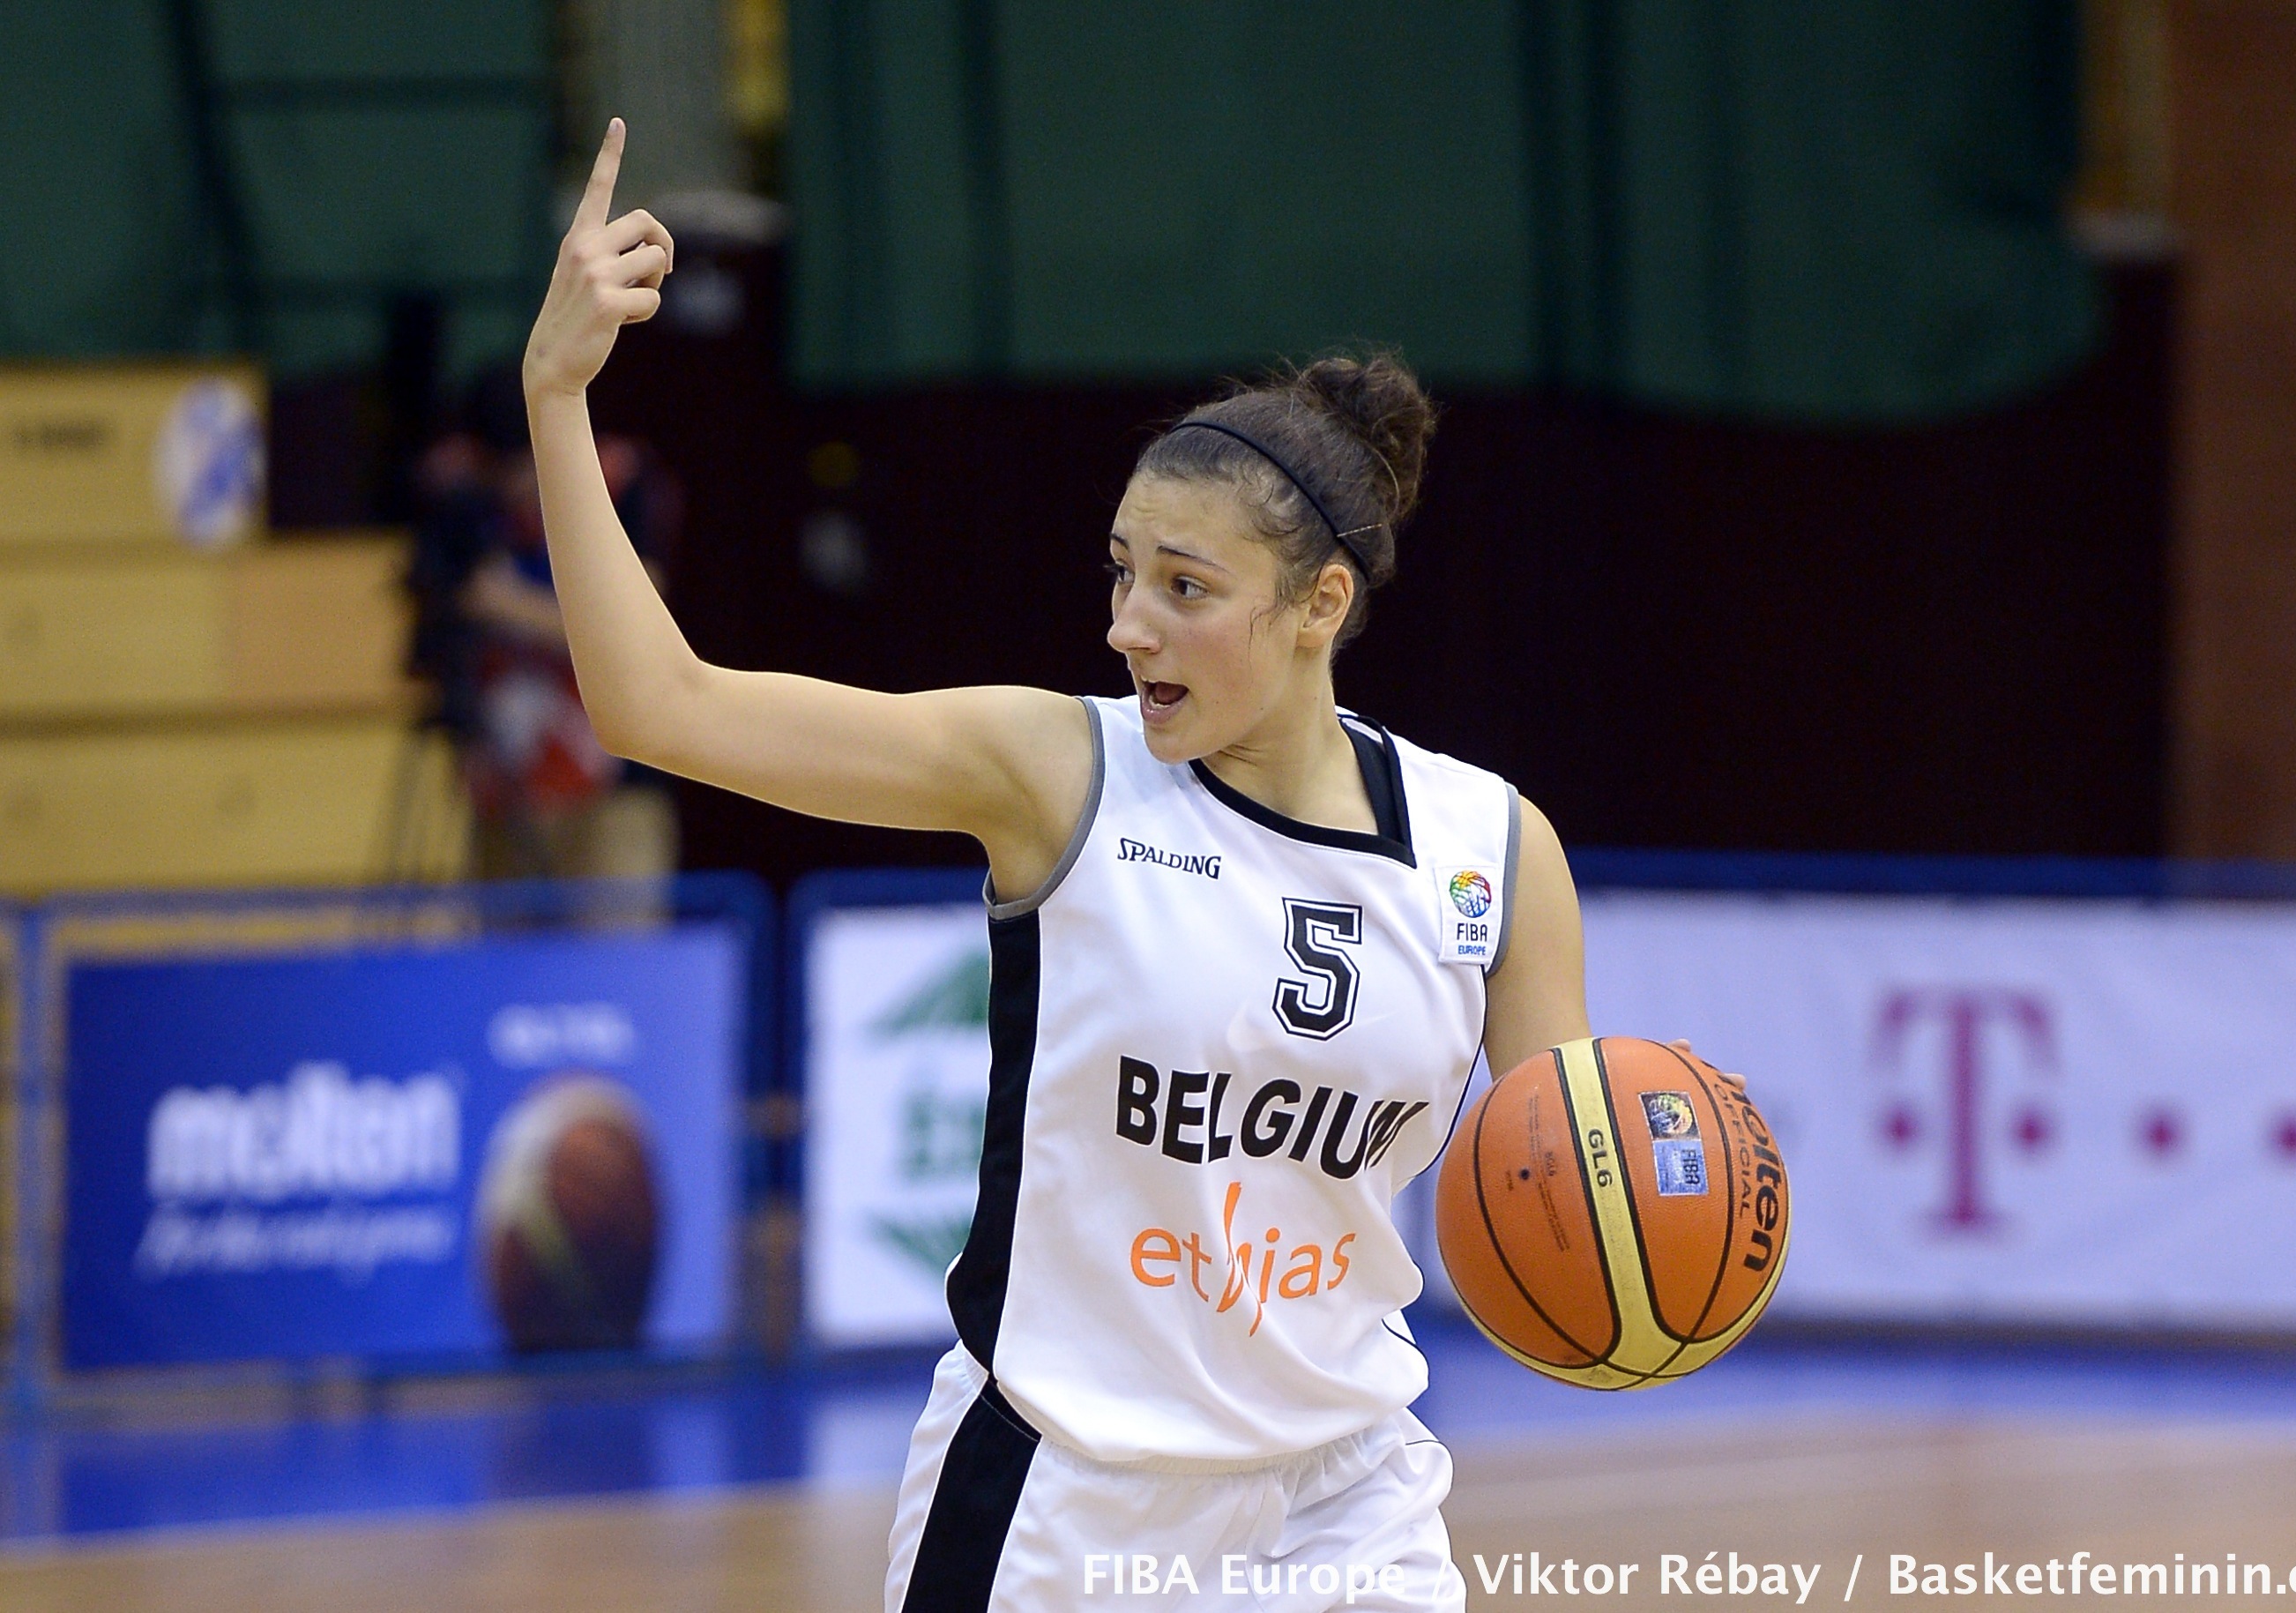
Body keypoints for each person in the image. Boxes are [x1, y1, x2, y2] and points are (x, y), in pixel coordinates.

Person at [525, 121, 1592, 1612]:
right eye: (1119, 571)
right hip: (1062, 1498)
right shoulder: (1058, 773)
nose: (1127, 623)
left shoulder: (1490, 848)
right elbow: (663, 706)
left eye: (1182, 586)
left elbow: (1562, 1191)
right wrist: (557, 396)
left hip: (1341, 1498)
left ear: (1318, 603)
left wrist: (1624, 1271)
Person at [407, 365, 682, 881]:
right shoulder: (467, 502)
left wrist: (505, 604)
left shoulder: (618, 482)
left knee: (617, 958)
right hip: (504, 786)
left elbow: (638, 629)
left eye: (522, 471)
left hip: (614, 788)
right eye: (501, 475)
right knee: (505, 957)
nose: (515, 492)